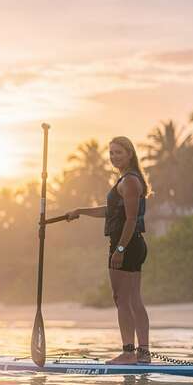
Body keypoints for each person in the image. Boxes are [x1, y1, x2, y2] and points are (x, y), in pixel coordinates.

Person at [59, 136, 150, 364]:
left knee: (122, 299)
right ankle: (143, 353)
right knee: (133, 299)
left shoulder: (129, 181)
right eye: (111, 153)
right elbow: (110, 211)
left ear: (129, 153)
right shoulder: (127, 180)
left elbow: (130, 220)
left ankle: (130, 353)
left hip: (126, 244)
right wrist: (80, 210)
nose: (113, 157)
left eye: (118, 152)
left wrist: (119, 249)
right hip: (134, 244)